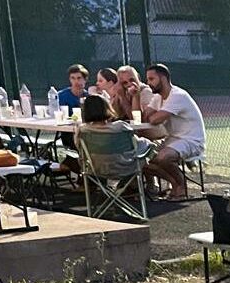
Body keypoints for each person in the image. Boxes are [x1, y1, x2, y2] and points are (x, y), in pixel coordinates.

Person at [140, 63, 205, 201]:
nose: (148, 83)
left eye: (152, 79)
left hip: (191, 140)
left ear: (163, 78)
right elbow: (145, 116)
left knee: (163, 158)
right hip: (172, 139)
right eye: (148, 80)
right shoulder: (158, 97)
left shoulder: (178, 96)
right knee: (140, 159)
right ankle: (176, 183)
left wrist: (154, 116)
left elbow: (155, 120)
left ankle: (180, 185)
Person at [75, 93, 153, 180]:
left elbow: (80, 149)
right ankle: (150, 184)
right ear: (107, 108)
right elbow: (136, 145)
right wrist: (149, 143)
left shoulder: (82, 130)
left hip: (96, 170)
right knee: (147, 149)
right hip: (126, 168)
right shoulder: (121, 127)